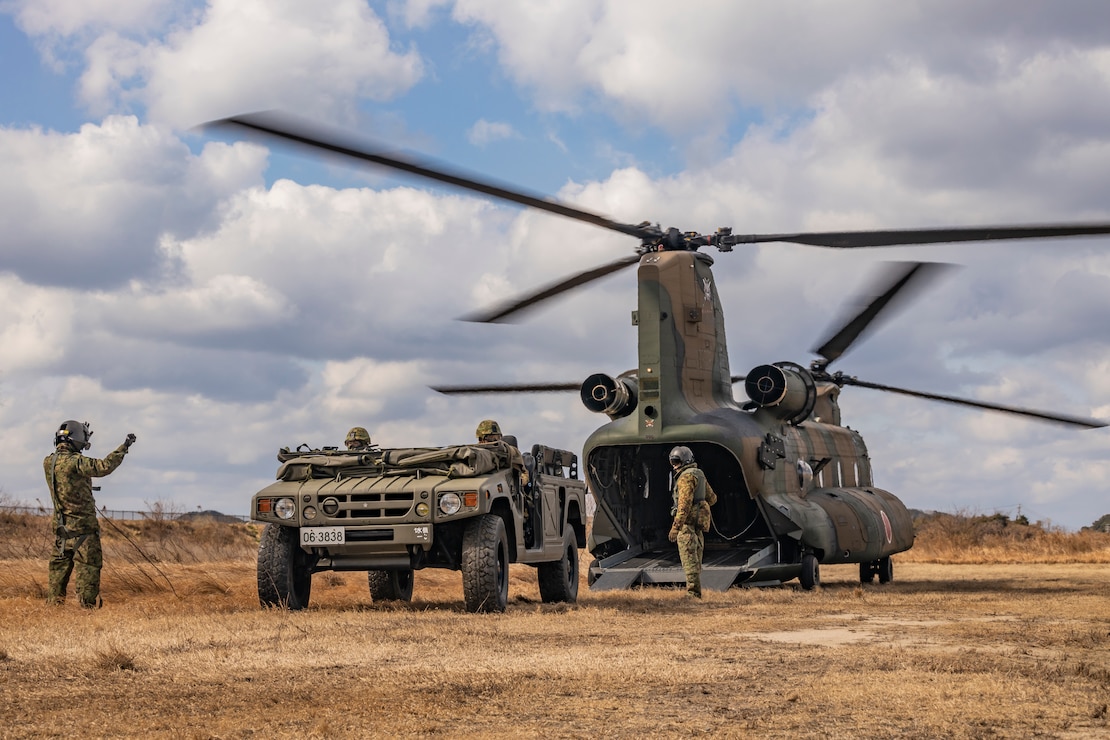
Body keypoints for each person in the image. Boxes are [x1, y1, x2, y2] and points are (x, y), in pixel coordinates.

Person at [43, 420, 136, 607]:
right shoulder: (76, 462)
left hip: (62, 529)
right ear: (76, 439)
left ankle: (53, 607)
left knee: (58, 571)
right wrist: (123, 447)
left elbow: (69, 479)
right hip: (83, 529)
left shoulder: (48, 462)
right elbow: (104, 466)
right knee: (89, 567)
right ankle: (87, 608)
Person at [667, 446, 717, 599]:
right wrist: (700, 504)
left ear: (685, 461)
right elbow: (713, 498)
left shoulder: (685, 478)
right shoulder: (699, 474)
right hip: (698, 523)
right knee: (696, 556)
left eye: (676, 461)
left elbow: (683, 505)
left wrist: (676, 527)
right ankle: (695, 590)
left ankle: (693, 593)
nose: (674, 465)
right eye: (672, 461)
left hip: (687, 524)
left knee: (688, 557)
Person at [475, 420, 528, 486]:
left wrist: (520, 481)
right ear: (481, 439)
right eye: (490, 438)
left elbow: (524, 474)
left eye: (497, 438)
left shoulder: (506, 451)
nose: (494, 441)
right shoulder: (475, 454)